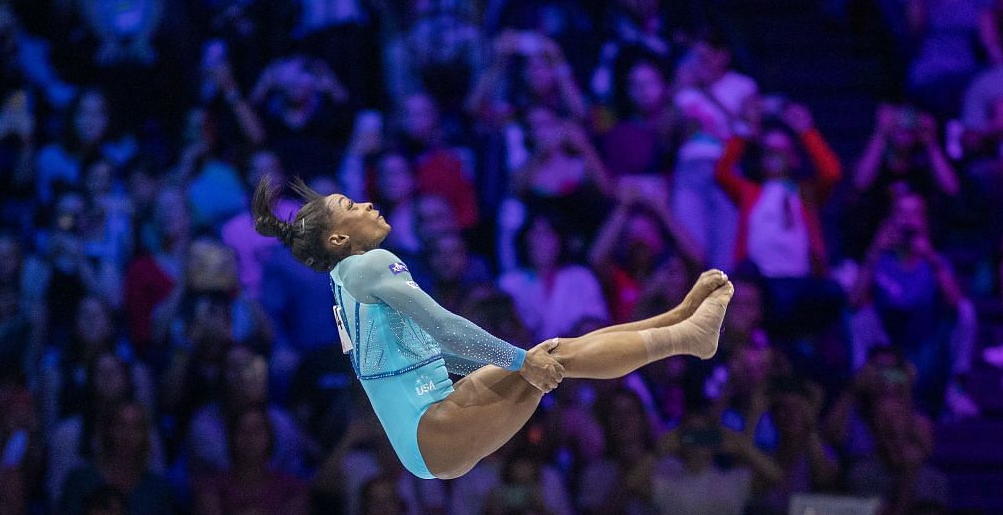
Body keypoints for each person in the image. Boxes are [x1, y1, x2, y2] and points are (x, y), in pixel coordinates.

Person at [249, 177, 733, 481]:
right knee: (547, 360)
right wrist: (520, 362)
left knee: (556, 350)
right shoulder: (369, 264)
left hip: (432, 420)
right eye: (351, 206)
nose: (367, 203)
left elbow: (425, 353)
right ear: (338, 239)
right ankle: (686, 338)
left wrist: (520, 361)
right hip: (431, 430)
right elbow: (445, 327)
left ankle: (676, 321)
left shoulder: (344, 281)